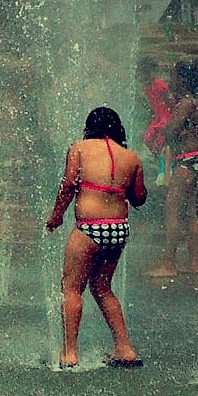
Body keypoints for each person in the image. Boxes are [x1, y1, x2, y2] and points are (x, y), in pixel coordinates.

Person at [45, 107, 147, 369]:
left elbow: (68, 184)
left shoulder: (79, 148)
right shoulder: (132, 157)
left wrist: (56, 216)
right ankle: (125, 349)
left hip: (89, 228)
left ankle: (69, 355)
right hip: (118, 229)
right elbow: (138, 198)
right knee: (102, 287)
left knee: (71, 288)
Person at [147, 58, 198, 276]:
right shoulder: (195, 101)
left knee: (172, 212)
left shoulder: (186, 103)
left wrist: (160, 129)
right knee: (190, 213)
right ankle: (196, 263)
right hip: (195, 160)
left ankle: (168, 265)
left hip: (186, 161)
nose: (170, 80)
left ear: (182, 79)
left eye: (173, 75)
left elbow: (171, 130)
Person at [139, 58, 174, 185]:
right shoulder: (147, 87)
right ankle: (161, 165)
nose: (140, 77)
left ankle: (166, 170)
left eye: (142, 73)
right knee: (148, 139)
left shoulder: (159, 84)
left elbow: (170, 100)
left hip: (166, 116)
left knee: (164, 143)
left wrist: (172, 117)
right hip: (158, 117)